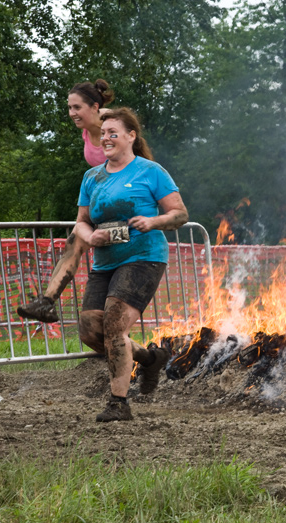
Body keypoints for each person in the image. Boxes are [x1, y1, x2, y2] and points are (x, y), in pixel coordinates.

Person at [74, 107, 189, 422]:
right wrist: (91, 236)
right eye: (104, 133)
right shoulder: (92, 177)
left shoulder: (150, 171)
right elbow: (81, 223)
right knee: (89, 330)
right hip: (105, 261)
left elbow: (180, 214)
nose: (106, 138)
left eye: (113, 133)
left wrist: (154, 221)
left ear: (131, 137)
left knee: (114, 325)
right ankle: (150, 359)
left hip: (144, 257)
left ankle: (118, 403)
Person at [17, 80, 115, 323]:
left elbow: (137, 156)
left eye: (76, 107)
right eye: (69, 108)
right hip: (103, 205)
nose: (71, 113)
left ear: (94, 107)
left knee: (99, 253)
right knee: (74, 242)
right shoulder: (86, 128)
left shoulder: (111, 122)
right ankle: (46, 303)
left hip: (128, 210)